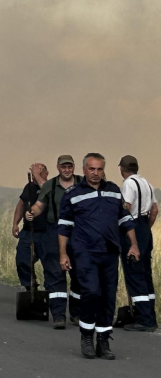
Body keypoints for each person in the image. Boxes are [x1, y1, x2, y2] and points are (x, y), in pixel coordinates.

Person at [58, 153, 141, 359]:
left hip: (110, 253)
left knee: (107, 297)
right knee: (91, 292)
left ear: (104, 170)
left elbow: (125, 220)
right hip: (85, 252)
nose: (96, 173)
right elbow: (63, 227)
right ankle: (87, 336)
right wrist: (62, 254)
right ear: (84, 170)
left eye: (100, 169)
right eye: (92, 169)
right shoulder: (73, 193)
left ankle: (103, 341)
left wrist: (134, 245)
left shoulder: (113, 191)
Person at [29, 154, 82, 326]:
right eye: (63, 167)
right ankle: (59, 315)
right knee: (55, 273)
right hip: (54, 231)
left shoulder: (83, 183)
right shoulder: (50, 185)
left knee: (79, 273)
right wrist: (32, 212)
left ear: (74, 167)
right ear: (58, 168)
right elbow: (39, 205)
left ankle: (77, 313)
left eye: (69, 167)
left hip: (79, 232)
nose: (67, 170)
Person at [118, 155, 157, 332]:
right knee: (145, 272)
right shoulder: (147, 183)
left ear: (122, 169)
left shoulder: (128, 183)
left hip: (132, 228)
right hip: (144, 228)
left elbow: (126, 207)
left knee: (134, 273)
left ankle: (143, 319)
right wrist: (145, 229)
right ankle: (150, 316)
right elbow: (154, 210)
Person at [13, 163, 46, 289]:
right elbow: (21, 204)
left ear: (46, 174)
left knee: (48, 264)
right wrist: (15, 223)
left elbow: (45, 189)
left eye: (39, 172)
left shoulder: (50, 186)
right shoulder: (29, 187)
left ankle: (50, 292)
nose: (34, 177)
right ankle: (29, 285)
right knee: (22, 260)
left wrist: (38, 176)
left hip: (45, 232)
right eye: (33, 174)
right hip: (28, 231)